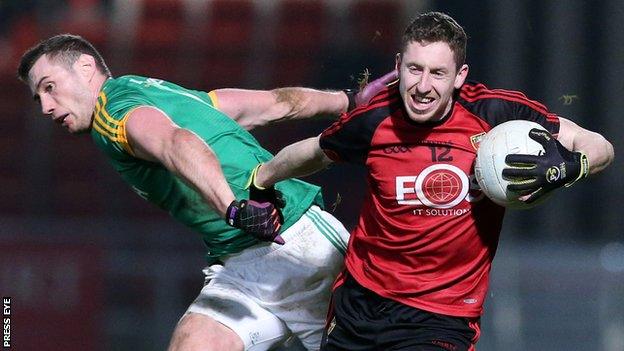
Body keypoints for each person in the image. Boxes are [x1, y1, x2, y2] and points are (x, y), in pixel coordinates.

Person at [248, 12, 615, 351]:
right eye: (414, 69)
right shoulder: (375, 120)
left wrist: (572, 165)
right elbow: (315, 151)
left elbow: (599, 146)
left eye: (438, 73)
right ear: (397, 67)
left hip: (443, 318)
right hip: (360, 306)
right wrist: (262, 180)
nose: (423, 86)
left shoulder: (495, 114)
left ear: (460, 76)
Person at [16, 34, 395, 351]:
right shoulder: (154, 91)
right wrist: (348, 100)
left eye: (50, 88)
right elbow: (270, 104)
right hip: (239, 264)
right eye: (39, 99)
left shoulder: (112, 114)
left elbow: (175, 142)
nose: (46, 107)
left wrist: (231, 207)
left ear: (85, 68)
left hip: (297, 245)